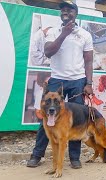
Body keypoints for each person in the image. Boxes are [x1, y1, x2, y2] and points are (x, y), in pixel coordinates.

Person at [27, 1, 94, 169]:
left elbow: (89, 61)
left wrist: (89, 83)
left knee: (77, 120)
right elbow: (48, 52)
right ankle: (37, 155)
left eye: (69, 9)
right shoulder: (54, 32)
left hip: (78, 81)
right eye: (62, 9)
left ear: (75, 13)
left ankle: (74, 158)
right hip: (57, 81)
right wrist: (64, 33)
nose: (65, 11)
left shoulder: (85, 34)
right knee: (47, 118)